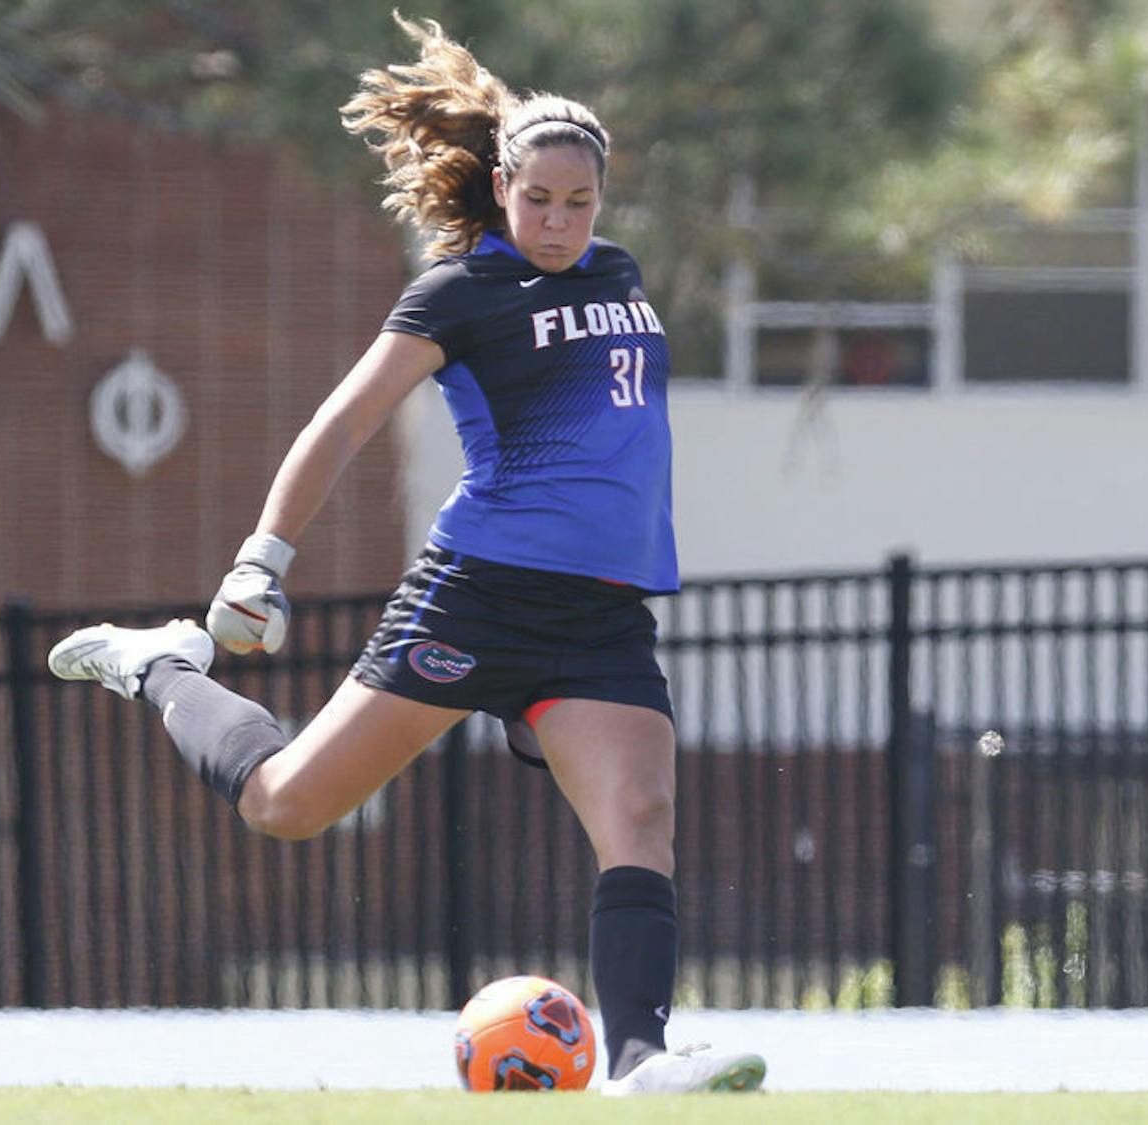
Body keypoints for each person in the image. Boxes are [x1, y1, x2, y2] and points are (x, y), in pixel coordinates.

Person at [47, 15, 764, 1097]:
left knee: (643, 819)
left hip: (601, 616)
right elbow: (340, 426)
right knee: (287, 804)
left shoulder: (616, 272)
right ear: (501, 187)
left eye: (580, 202)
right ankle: (159, 666)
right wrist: (260, 560)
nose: (560, 221)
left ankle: (639, 1060)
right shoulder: (458, 294)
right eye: (539, 200)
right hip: (477, 598)